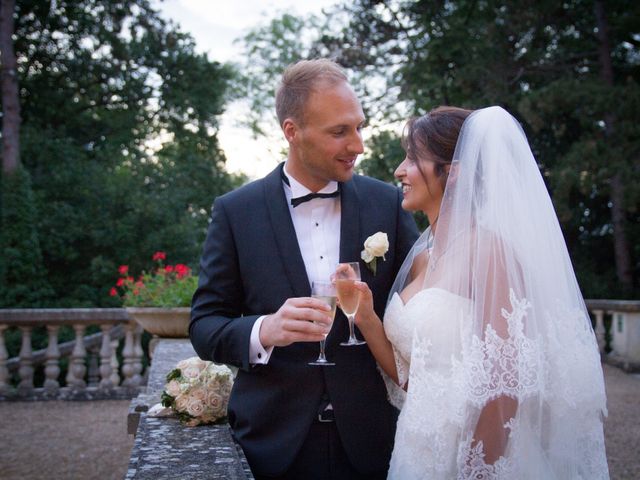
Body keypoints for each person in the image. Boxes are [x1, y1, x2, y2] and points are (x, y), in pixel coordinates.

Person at [190, 58, 419, 480]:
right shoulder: (235, 212)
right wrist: (265, 330)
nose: (358, 145)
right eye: (339, 131)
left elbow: (421, 300)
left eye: (358, 126)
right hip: (271, 445)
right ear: (292, 132)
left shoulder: (386, 203)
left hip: (374, 442)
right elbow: (205, 326)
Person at [353, 106, 609, 479]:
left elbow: (508, 386)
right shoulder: (424, 258)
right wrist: (366, 317)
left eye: (413, 158)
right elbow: (416, 382)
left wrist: (477, 470)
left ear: (452, 172)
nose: (400, 171)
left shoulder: (490, 254)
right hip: (417, 453)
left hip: (476, 457)